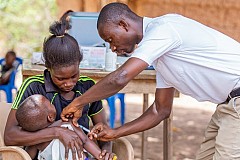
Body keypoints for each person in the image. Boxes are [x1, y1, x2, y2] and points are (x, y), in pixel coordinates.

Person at [61, 2, 240, 159]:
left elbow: (121, 77)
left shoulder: (164, 29)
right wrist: (115, 132)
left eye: (111, 39)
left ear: (123, 24)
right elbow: (160, 110)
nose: (113, 47)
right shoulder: (161, 57)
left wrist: (78, 103)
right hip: (227, 106)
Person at [4, 12, 113, 160]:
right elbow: (10, 136)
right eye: (60, 78)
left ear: (79, 65)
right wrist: (58, 132)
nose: (68, 83)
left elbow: (102, 130)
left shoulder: (87, 86)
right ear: (48, 68)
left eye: (74, 76)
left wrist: (106, 150)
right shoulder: (34, 86)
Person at [16, 94, 116, 160]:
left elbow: (28, 156)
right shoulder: (67, 124)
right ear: (50, 117)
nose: (52, 103)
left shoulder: (36, 140)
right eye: (50, 103)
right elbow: (85, 140)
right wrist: (100, 155)